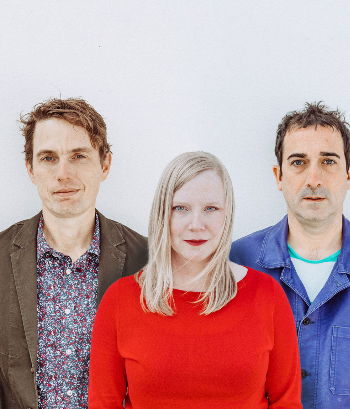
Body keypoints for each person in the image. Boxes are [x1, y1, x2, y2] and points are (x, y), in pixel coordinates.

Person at [88, 151, 302, 409]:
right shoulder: (120, 300)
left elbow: (286, 402)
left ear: (227, 214)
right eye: (181, 208)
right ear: (162, 214)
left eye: (211, 208)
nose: (196, 224)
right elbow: (104, 403)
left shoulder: (267, 295)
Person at [230, 102, 350, 409]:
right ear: (279, 176)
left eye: (328, 161)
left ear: (349, 175)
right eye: (298, 162)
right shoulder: (236, 263)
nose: (314, 179)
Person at [0, 98, 148, 409]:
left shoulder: (150, 261)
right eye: (48, 158)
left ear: (105, 164)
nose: (63, 173)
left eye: (78, 156)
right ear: (30, 169)